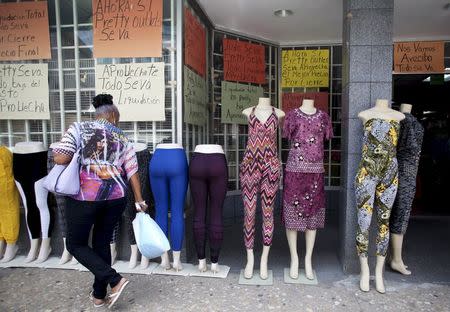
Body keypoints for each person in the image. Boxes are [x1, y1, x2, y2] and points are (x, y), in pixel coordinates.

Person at [53, 94, 148, 308]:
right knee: (102, 242)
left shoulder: (79, 128)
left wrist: (75, 150)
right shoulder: (123, 138)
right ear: (113, 116)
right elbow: (132, 170)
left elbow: (60, 157)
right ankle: (98, 295)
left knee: (75, 244)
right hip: (116, 198)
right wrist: (139, 200)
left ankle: (115, 280)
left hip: (85, 197)